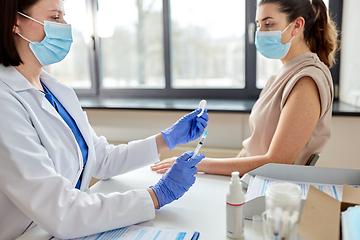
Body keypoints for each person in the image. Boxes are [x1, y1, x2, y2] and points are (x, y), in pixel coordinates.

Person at [0, 0, 209, 239]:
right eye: (56, 17)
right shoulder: (4, 103)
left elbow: (102, 158)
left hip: (67, 228)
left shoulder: (56, 90)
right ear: (15, 23)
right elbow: (61, 213)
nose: (66, 25)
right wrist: (155, 196)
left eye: (64, 16)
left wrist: (167, 139)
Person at [152, 0, 338, 176]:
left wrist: (198, 163)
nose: (261, 32)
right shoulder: (280, 76)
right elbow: (254, 146)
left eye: (269, 24)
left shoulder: (308, 79)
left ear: (297, 25)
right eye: (259, 25)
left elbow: (277, 161)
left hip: (271, 190)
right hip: (249, 180)